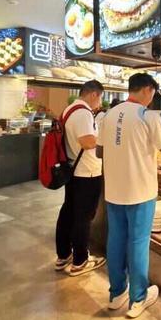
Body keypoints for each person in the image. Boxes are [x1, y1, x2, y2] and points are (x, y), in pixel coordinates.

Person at [96, 73, 161, 319]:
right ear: (147, 89)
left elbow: (99, 152)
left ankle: (116, 294)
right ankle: (138, 299)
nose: (152, 98)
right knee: (138, 243)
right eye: (153, 93)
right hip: (141, 191)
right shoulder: (148, 116)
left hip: (114, 190)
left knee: (115, 240)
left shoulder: (108, 115)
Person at [54, 80, 107, 276]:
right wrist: (107, 140)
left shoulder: (69, 110)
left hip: (73, 170)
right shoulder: (83, 113)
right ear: (94, 94)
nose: (99, 103)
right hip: (87, 172)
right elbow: (87, 142)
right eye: (100, 98)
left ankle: (63, 255)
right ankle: (80, 261)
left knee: (68, 212)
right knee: (83, 217)